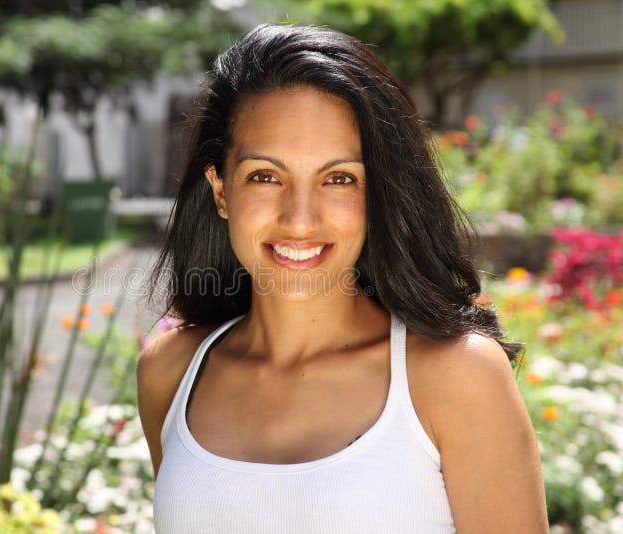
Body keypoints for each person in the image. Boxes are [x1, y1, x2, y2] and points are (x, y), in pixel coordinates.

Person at [138, 23, 548, 533]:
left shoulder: (456, 376)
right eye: (265, 176)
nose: (300, 218)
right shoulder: (171, 373)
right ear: (220, 191)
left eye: (339, 179)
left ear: (377, 194)